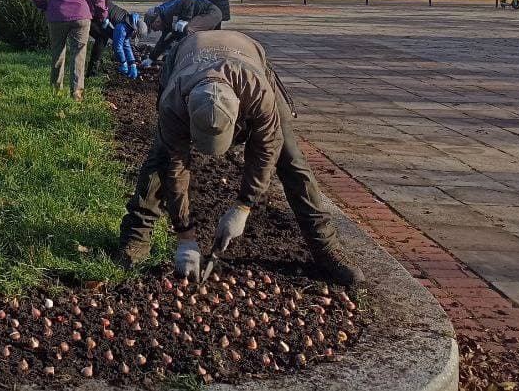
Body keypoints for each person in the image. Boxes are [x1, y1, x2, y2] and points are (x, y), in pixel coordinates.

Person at [115, 27, 364, 287]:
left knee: (291, 160)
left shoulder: (258, 93)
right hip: (186, 57)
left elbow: (266, 150)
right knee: (161, 158)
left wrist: (243, 206)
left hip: (249, 59)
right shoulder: (174, 100)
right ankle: (136, 238)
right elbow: (175, 165)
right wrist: (185, 235)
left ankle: (326, 246)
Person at [29, 0, 108, 101]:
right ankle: (76, 93)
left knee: (57, 52)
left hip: (56, 14)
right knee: (79, 53)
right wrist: (102, 13)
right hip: (81, 14)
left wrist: (45, 5)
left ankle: (56, 91)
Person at [142, 0, 224, 67]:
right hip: (207, 15)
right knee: (182, 33)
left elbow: (188, 1)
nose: (155, 30)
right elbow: (164, 41)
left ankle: (187, 62)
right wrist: (151, 58)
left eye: (153, 28)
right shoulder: (166, 22)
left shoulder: (168, 11)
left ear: (156, 21)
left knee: (187, 29)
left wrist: (185, 19)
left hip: (210, 13)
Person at [88, 2, 143, 80]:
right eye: (135, 36)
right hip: (92, 11)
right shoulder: (123, 27)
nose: (133, 38)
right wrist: (123, 62)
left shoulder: (129, 22)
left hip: (99, 13)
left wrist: (132, 63)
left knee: (104, 36)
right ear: (135, 30)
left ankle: (92, 71)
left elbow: (126, 44)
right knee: (102, 37)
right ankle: (91, 73)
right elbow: (117, 46)